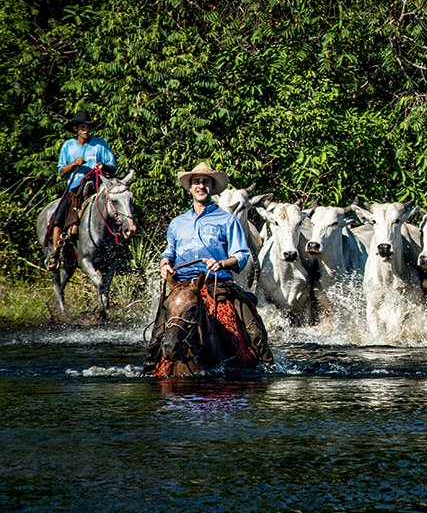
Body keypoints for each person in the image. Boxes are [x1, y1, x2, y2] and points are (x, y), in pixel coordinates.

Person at [144, 161, 274, 370]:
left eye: (205, 182)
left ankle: (268, 370)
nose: (201, 186)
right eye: (196, 181)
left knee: (254, 332)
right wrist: (165, 263)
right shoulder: (177, 223)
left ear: (212, 188)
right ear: (190, 187)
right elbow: (169, 252)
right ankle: (150, 372)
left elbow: (241, 255)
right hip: (182, 288)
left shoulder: (227, 220)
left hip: (218, 286)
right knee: (157, 335)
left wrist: (221, 262)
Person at [47, 110, 118, 270]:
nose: (85, 130)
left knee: (117, 213)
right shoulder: (68, 146)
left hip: (97, 188)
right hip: (75, 191)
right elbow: (61, 173)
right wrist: (73, 164)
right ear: (76, 129)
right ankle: (54, 255)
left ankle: (121, 252)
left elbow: (112, 166)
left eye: (87, 127)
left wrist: (103, 166)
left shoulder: (99, 145)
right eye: (82, 127)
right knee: (58, 219)